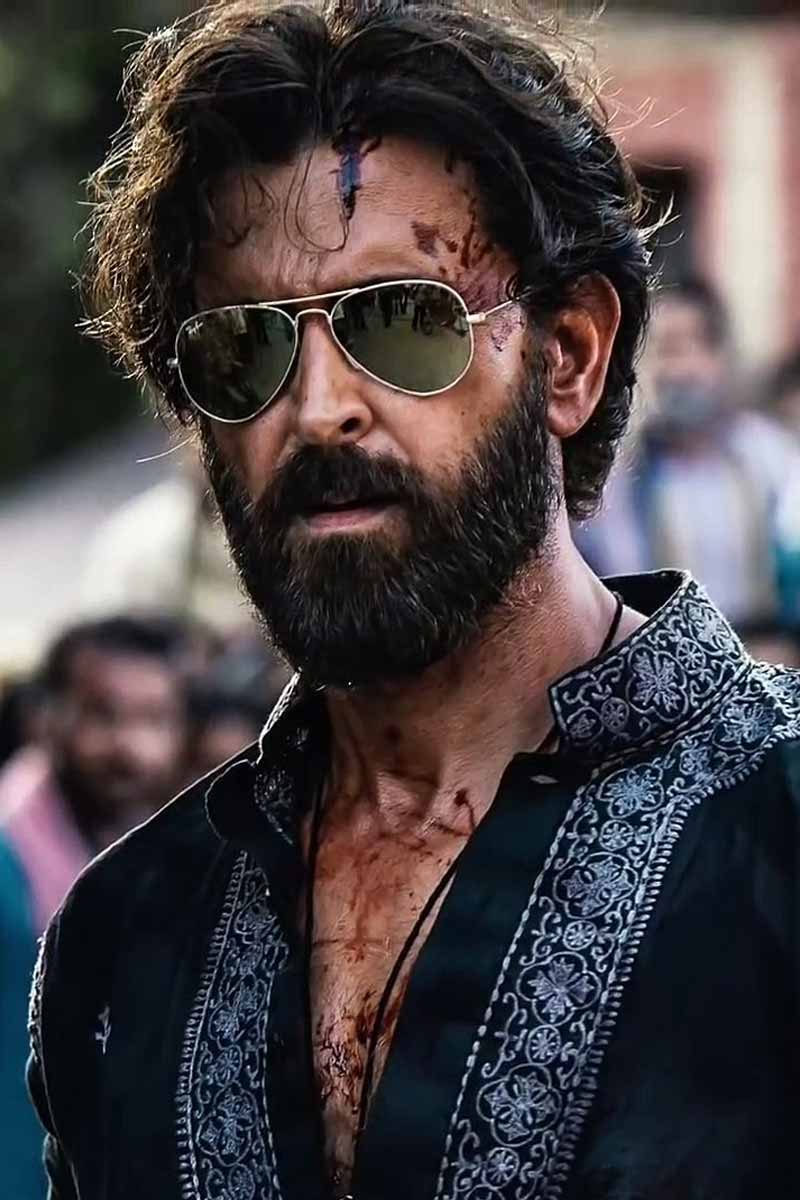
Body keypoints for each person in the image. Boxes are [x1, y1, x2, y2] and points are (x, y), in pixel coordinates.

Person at [28, 4, 800, 1199]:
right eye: (245, 348)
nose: (317, 408)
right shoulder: (123, 940)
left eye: (400, 320)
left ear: (567, 357)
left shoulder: (777, 832)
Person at [0, 615, 186, 1199]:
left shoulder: (181, 866)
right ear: (45, 718)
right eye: (103, 716)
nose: (130, 748)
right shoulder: (8, 866)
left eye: (154, 719)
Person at [577, 278, 800, 623]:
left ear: (721, 355)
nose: (677, 371)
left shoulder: (770, 458)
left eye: (689, 346)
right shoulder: (613, 478)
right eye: (662, 350)